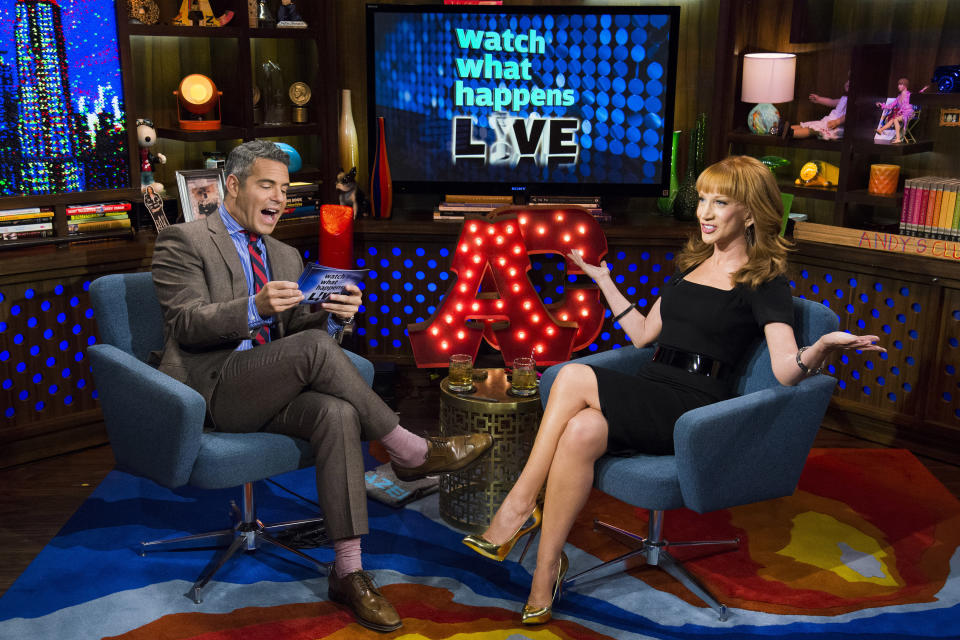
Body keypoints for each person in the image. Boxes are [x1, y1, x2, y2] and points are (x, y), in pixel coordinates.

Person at [461, 155, 885, 624]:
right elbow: (644, 334)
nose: (704, 211)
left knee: (573, 374)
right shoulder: (691, 267)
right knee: (581, 429)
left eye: (720, 201)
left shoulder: (765, 282)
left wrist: (822, 346)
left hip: (692, 407)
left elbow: (786, 370)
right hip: (653, 387)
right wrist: (604, 282)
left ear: (748, 212)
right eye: (702, 199)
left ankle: (519, 504)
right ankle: (546, 569)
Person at [151, 139, 492, 633]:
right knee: (314, 355)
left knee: (338, 413)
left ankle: (349, 573)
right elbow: (185, 324)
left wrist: (333, 321)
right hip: (214, 389)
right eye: (266, 185)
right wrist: (255, 307)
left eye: (285, 189)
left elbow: (295, 339)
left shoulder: (286, 254)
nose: (278, 198)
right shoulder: (184, 240)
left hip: (271, 385)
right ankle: (410, 451)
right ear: (233, 185)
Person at [876, 77, 914, 143]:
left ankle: (898, 139)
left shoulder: (909, 95)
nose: (898, 86)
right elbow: (891, 106)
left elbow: (909, 106)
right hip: (902, 114)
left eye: (900, 84)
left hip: (908, 113)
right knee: (893, 119)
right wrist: (882, 105)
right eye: (898, 84)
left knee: (896, 119)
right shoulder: (899, 97)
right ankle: (881, 130)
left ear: (905, 86)